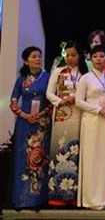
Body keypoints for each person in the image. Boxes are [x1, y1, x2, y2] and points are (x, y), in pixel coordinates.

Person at [75, 45, 105, 210]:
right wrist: (99, 110)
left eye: (102, 56)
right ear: (90, 59)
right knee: (93, 158)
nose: (99, 59)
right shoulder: (85, 78)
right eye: (95, 57)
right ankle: (93, 198)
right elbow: (79, 101)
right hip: (92, 121)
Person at [9, 46, 52, 209]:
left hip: (42, 125)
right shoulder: (21, 80)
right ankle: (21, 199)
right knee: (23, 160)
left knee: (41, 160)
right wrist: (25, 115)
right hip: (25, 124)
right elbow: (13, 102)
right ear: (26, 61)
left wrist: (42, 114)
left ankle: (38, 200)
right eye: (33, 57)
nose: (37, 59)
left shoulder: (47, 77)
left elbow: (51, 102)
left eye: (39, 56)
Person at [46, 41, 88, 206]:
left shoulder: (84, 73)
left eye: (74, 55)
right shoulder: (58, 71)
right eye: (68, 55)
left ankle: (75, 194)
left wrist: (75, 98)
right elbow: (49, 93)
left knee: (77, 151)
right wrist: (61, 101)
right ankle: (58, 194)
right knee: (60, 149)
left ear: (80, 56)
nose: (70, 58)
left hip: (79, 113)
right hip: (62, 115)